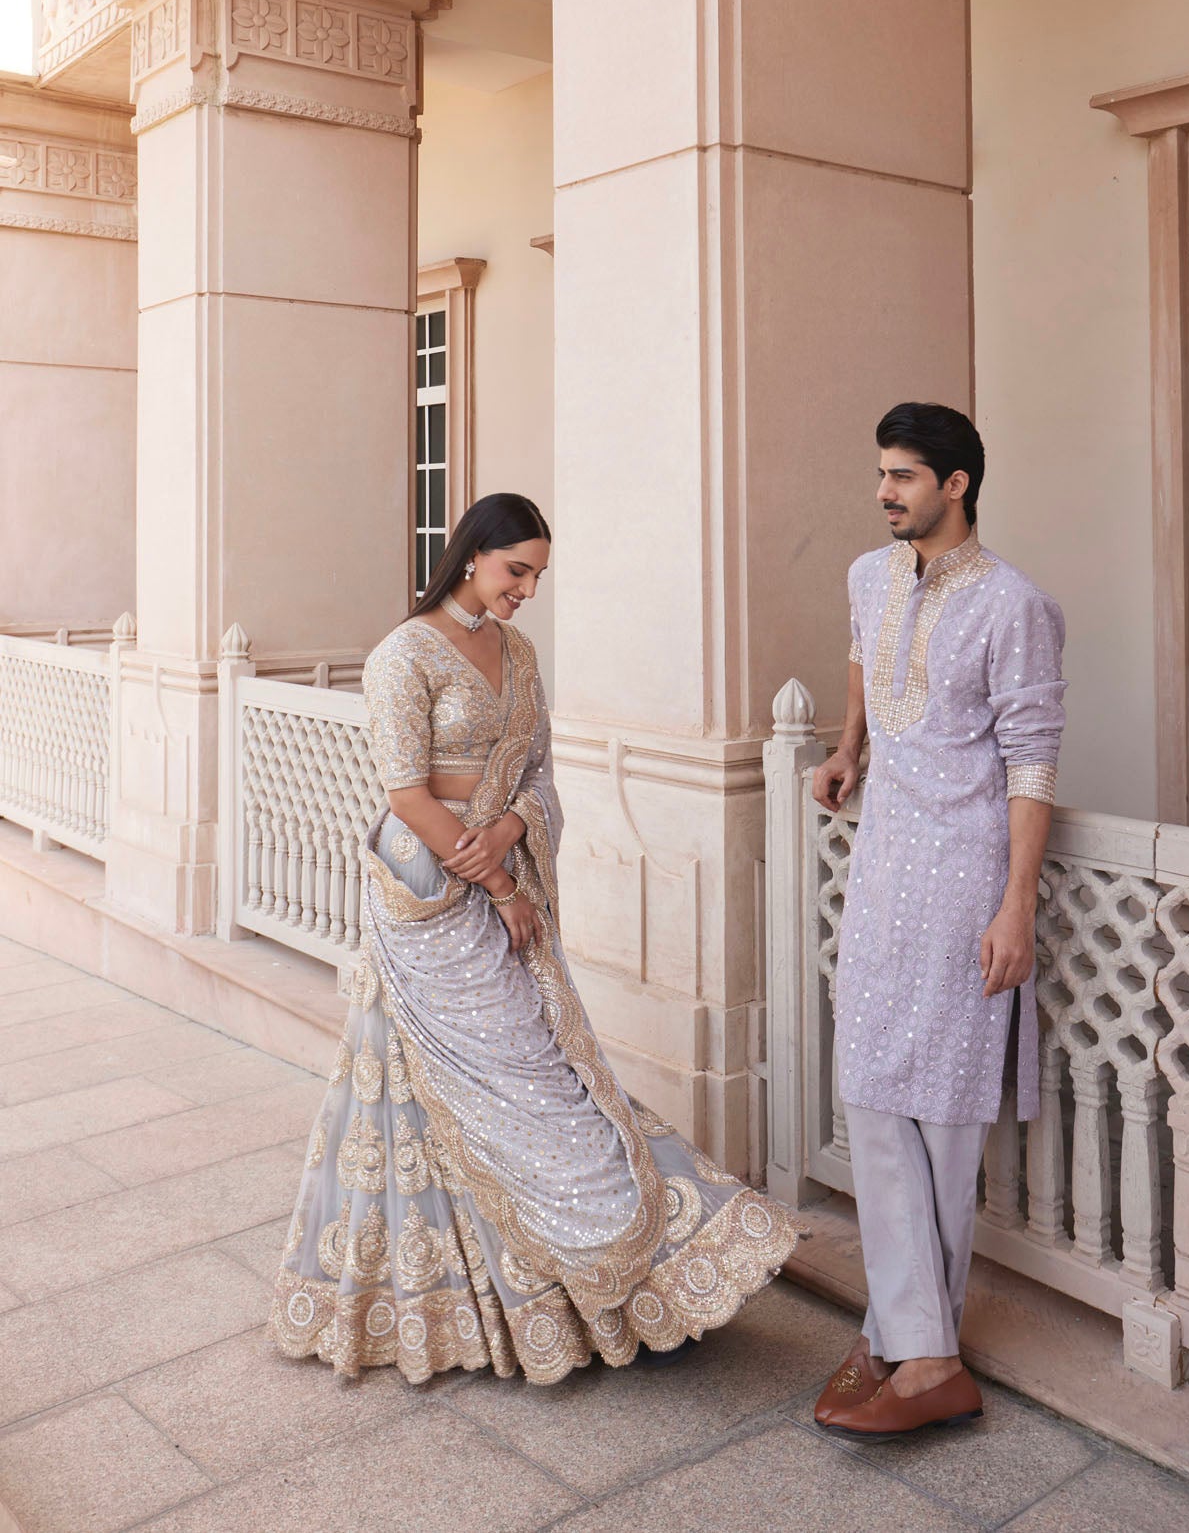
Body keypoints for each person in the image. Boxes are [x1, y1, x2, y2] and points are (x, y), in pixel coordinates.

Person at [270, 492, 798, 1383]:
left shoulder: (517, 651)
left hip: (496, 870)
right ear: (472, 554)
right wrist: (500, 884)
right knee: (496, 1076)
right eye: (517, 571)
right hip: (428, 896)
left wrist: (514, 830)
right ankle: (501, 1297)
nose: (526, 591)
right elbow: (405, 792)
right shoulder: (403, 654)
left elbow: (542, 768)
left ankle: (570, 1289)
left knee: (544, 1071)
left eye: (537, 577)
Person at [811, 405, 1065, 1438]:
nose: (885, 490)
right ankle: (914, 1342)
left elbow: (1032, 756)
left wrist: (1016, 899)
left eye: (904, 475)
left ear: (955, 483)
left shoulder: (1014, 605)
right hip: (880, 870)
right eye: (880, 471)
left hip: (966, 877)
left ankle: (911, 1347)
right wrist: (845, 746)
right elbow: (862, 657)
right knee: (868, 1083)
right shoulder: (869, 576)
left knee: (946, 1112)